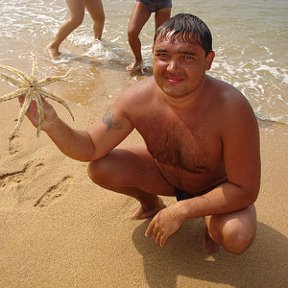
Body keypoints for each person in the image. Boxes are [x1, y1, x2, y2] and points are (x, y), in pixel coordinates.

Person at [23, 13, 261, 254]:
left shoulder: (231, 108)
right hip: (166, 175)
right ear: (152, 54)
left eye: (187, 57)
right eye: (163, 55)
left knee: (236, 236)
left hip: (215, 188)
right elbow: (91, 146)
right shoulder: (137, 98)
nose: (172, 68)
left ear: (208, 60)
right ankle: (150, 205)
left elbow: (246, 189)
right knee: (101, 168)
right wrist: (51, 122)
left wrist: (182, 210)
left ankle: (211, 227)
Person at [126, 0, 172, 74]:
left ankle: (159, 63)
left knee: (161, 37)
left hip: (164, 2)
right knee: (132, 33)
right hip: (144, 1)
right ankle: (138, 60)